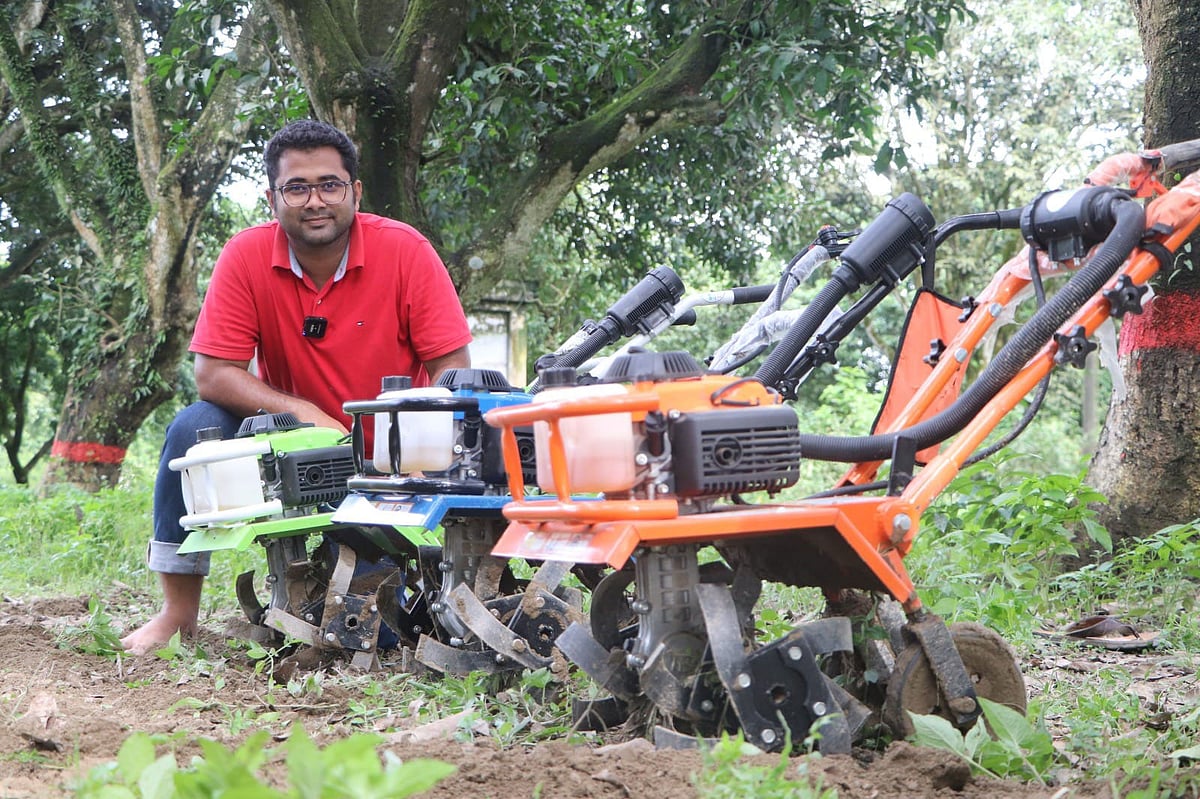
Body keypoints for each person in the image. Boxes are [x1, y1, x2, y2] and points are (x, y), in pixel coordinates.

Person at [121, 119, 472, 655]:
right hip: (293, 445)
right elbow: (213, 373)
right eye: (297, 188)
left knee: (376, 630)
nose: (315, 201)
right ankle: (177, 614)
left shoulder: (406, 251)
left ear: (354, 191)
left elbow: (453, 368)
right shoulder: (245, 255)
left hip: (390, 453)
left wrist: (413, 444)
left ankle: (442, 587)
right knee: (194, 427)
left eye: (329, 185)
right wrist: (304, 412)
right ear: (272, 197)